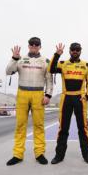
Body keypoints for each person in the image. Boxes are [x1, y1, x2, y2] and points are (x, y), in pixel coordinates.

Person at [6, 37, 53, 166]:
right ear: (28, 46)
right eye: (31, 44)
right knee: (20, 125)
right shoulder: (20, 59)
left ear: (40, 46)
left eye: (36, 44)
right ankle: (17, 154)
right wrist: (14, 58)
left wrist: (48, 95)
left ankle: (39, 153)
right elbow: (8, 71)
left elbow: (49, 80)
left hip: (38, 94)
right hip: (22, 93)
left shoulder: (45, 61)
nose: (34, 46)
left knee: (39, 125)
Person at [48, 43, 88, 164]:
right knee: (63, 128)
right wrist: (57, 55)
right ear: (69, 51)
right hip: (66, 97)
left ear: (80, 51)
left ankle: (87, 155)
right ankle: (59, 155)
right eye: (73, 50)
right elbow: (51, 69)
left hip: (80, 98)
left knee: (83, 128)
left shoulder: (86, 65)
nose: (75, 51)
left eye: (77, 50)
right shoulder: (63, 64)